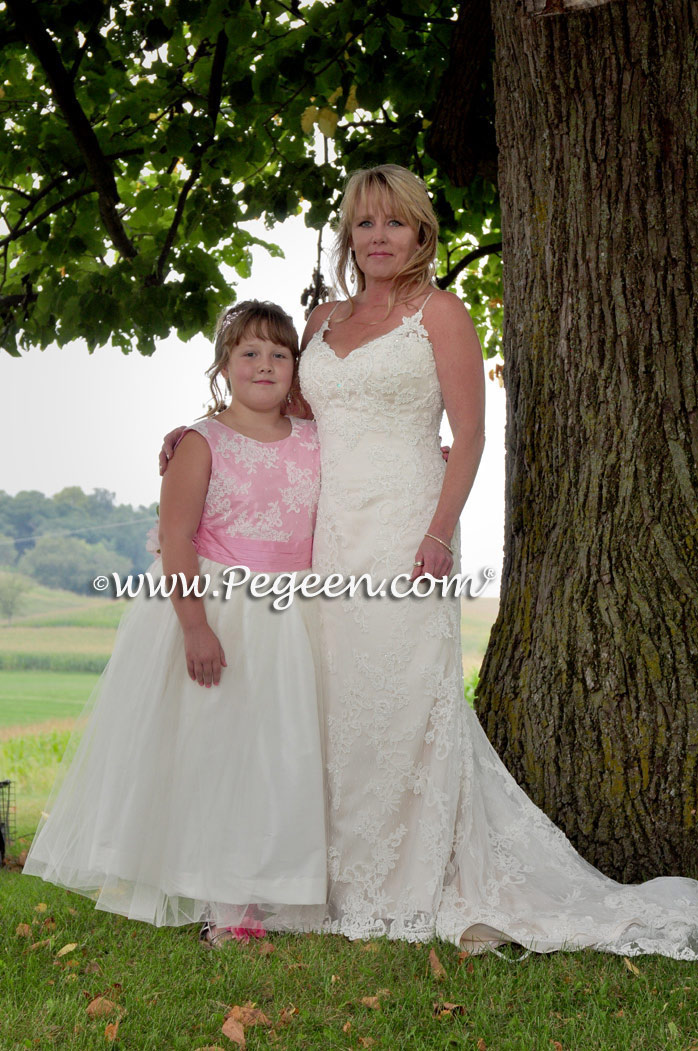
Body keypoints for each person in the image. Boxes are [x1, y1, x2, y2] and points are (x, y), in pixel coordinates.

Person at [162, 166, 698, 957]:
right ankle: (323, 874)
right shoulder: (318, 321)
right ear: (350, 235)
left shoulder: (440, 313)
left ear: (421, 233)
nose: (379, 237)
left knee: (401, 697)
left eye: (395, 223)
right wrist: (203, 435)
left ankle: (401, 876)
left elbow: (472, 434)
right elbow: (286, 414)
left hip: (408, 527)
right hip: (326, 535)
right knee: (329, 702)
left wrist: (440, 531)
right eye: (366, 223)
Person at [23, 301, 327, 943]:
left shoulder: (313, 436)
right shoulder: (201, 441)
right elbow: (177, 536)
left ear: (297, 369)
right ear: (223, 366)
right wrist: (194, 625)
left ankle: (276, 886)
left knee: (279, 753)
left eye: (279, 353)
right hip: (217, 607)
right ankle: (224, 901)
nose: (264, 365)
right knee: (216, 753)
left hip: (291, 613)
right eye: (249, 353)